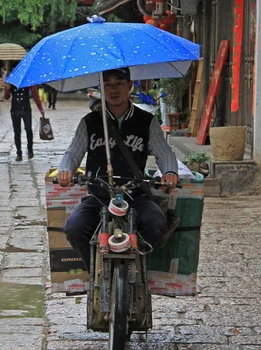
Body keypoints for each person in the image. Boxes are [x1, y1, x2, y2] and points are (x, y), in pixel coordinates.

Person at [56, 68, 179, 269]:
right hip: (99, 196)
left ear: (130, 85)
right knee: (74, 228)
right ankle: (96, 273)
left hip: (135, 196)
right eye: (107, 85)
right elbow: (73, 153)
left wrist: (170, 173)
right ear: (100, 89)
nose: (114, 90)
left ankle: (139, 268)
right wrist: (65, 170)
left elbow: (164, 152)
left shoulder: (146, 121)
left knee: (156, 223)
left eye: (119, 83)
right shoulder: (89, 122)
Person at [4, 82, 45, 161]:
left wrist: (40, 108)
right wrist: (7, 89)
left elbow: (35, 94)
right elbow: (6, 97)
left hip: (26, 109)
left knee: (28, 129)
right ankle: (19, 153)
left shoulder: (27, 80)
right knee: (17, 132)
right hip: (15, 110)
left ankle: (30, 150)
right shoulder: (11, 81)